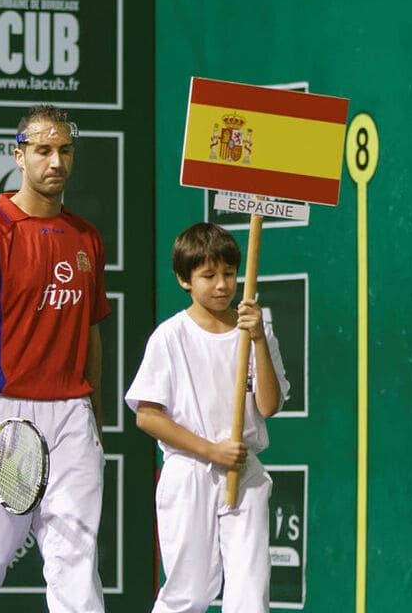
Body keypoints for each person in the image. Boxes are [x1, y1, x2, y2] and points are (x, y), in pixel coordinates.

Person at [0, 104, 109, 613]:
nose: (56, 162)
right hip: (3, 413)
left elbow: (91, 332)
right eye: (43, 150)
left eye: (64, 151)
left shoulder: (85, 237)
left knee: (76, 558)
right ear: (19, 155)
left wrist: (91, 409)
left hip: (72, 414)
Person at [125, 222, 289, 613]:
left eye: (229, 274)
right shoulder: (170, 337)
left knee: (250, 594)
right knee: (190, 593)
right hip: (190, 472)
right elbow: (147, 416)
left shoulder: (256, 330)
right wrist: (211, 450)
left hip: (243, 470)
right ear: (184, 279)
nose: (222, 285)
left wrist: (260, 340)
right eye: (208, 276)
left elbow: (268, 406)